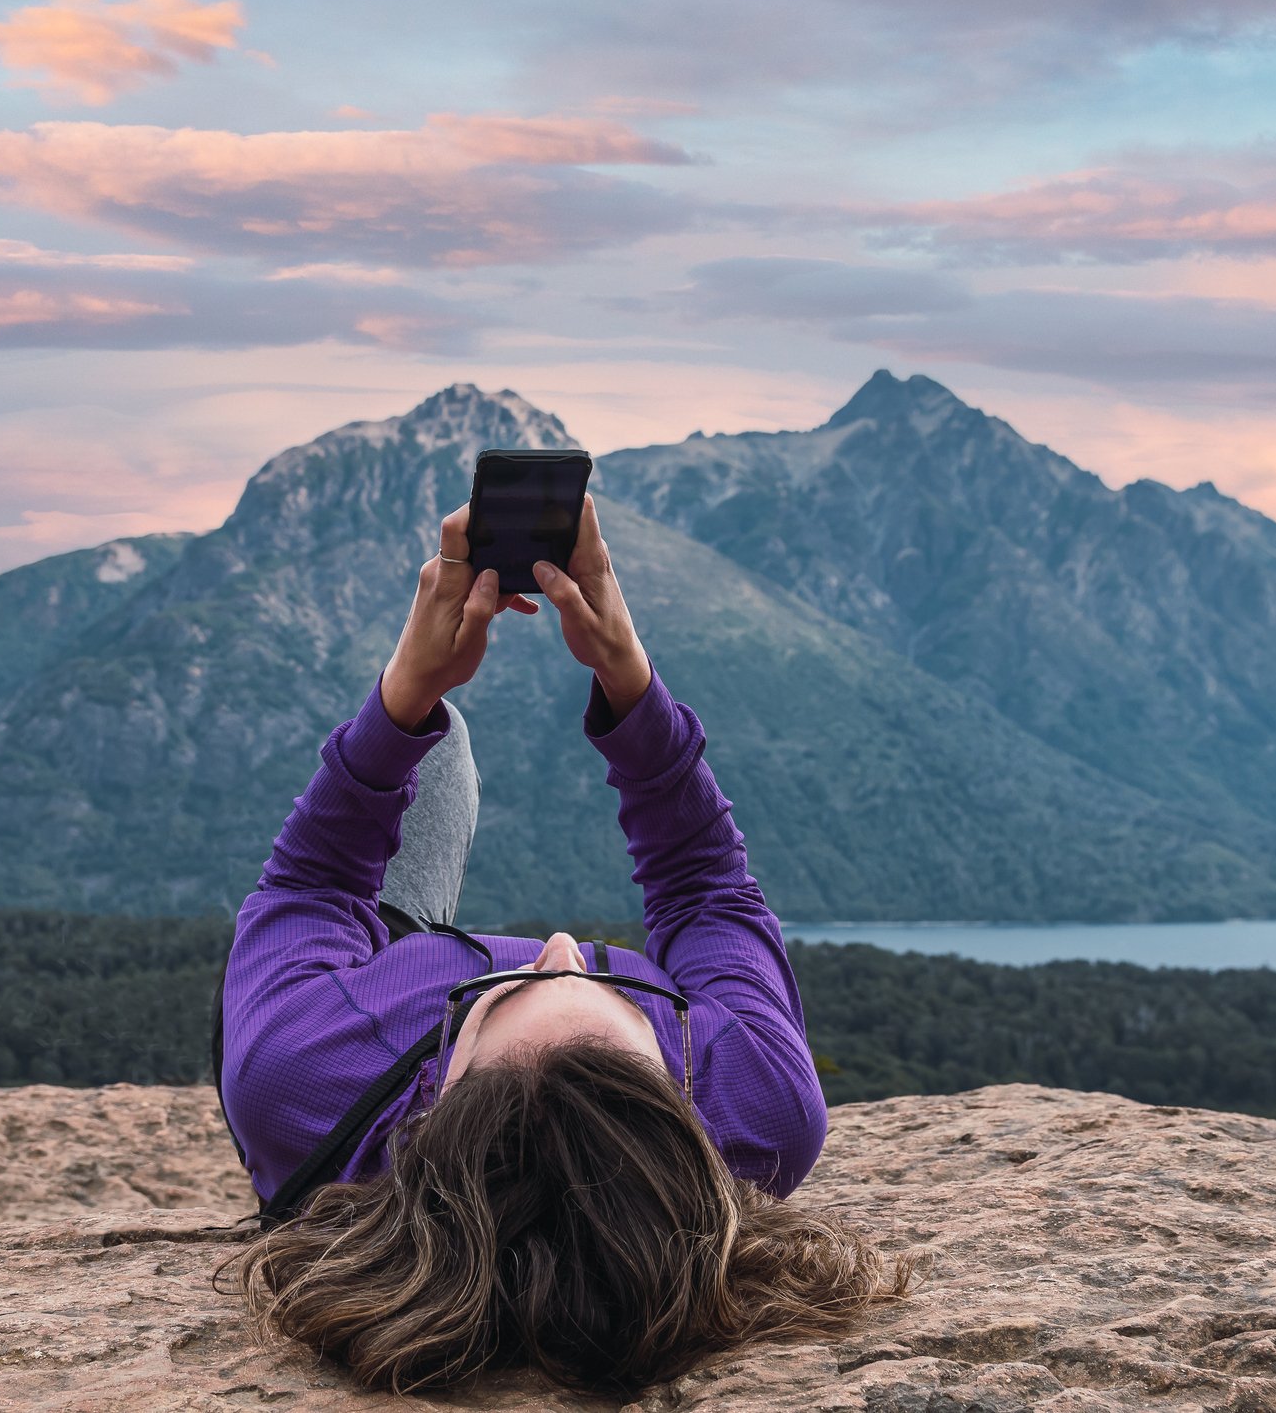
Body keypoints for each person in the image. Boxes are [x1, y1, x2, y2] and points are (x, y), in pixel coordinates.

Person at [217, 494, 905, 1398]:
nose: (555, 945)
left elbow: (309, 886)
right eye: (627, 1000)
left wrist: (404, 693)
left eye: (497, 993)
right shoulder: (758, 1107)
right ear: (676, 1113)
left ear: (431, 1110)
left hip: (372, 961)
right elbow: (706, 891)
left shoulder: (307, 1070)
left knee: (435, 745)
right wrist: (629, 680)